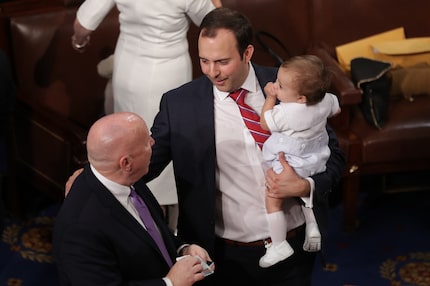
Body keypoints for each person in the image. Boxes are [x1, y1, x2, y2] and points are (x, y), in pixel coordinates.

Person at [142, 7, 345, 286]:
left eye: (222, 61)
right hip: (225, 258)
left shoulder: (290, 85)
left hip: (295, 247)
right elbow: (142, 166)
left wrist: (304, 187)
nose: (212, 72)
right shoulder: (179, 106)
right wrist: (95, 175)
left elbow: (333, 155)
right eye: (204, 61)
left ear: (247, 53)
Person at [71, 0, 222, 233]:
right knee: (164, 150)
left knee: (129, 148)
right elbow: (218, 23)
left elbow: (83, 22)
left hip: (128, 69)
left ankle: (135, 228)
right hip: (168, 74)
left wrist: (79, 42)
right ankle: (170, 235)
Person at [53, 112, 214, 286]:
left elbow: (152, 233)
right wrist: (169, 283)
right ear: (126, 163)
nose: (153, 143)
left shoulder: (127, 178)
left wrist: (183, 248)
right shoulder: (79, 229)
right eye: (146, 143)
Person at [258, 55, 341, 268]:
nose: (276, 86)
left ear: (302, 98)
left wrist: (269, 98)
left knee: (273, 198)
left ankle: (278, 244)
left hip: (290, 160)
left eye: (281, 86)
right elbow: (336, 108)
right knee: (304, 193)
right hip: (315, 159)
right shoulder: (326, 100)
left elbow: (265, 123)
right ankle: (312, 225)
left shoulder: (287, 111)